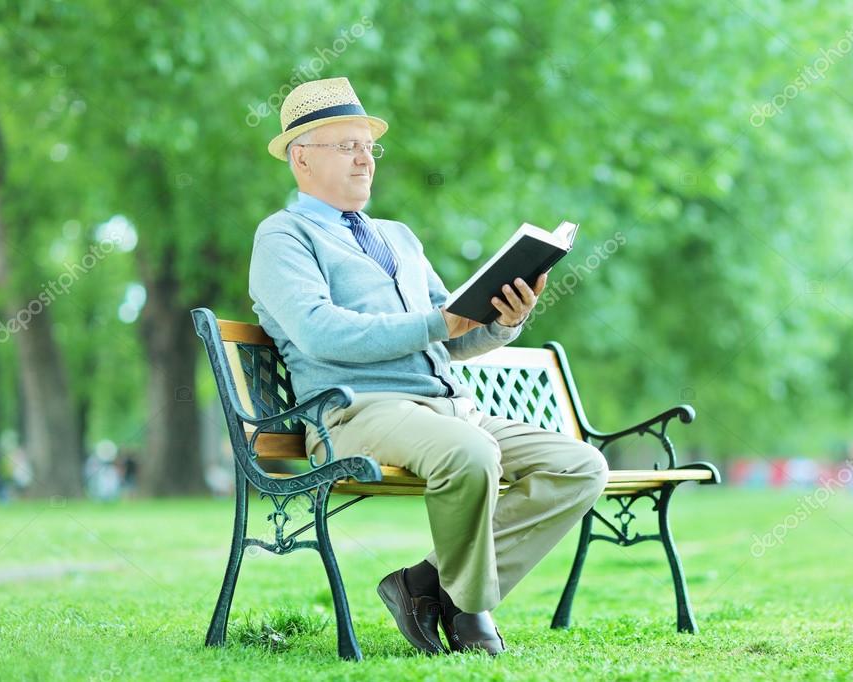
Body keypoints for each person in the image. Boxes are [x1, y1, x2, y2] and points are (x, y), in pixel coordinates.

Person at [249, 77, 608, 656]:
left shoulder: (399, 237)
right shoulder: (283, 236)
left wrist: (502, 321)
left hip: (447, 407)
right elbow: (322, 331)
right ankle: (470, 612)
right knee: (470, 454)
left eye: (368, 146)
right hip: (352, 413)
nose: (365, 158)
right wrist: (441, 323)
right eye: (347, 146)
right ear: (301, 158)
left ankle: (424, 584)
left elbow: (452, 336)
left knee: (581, 467)